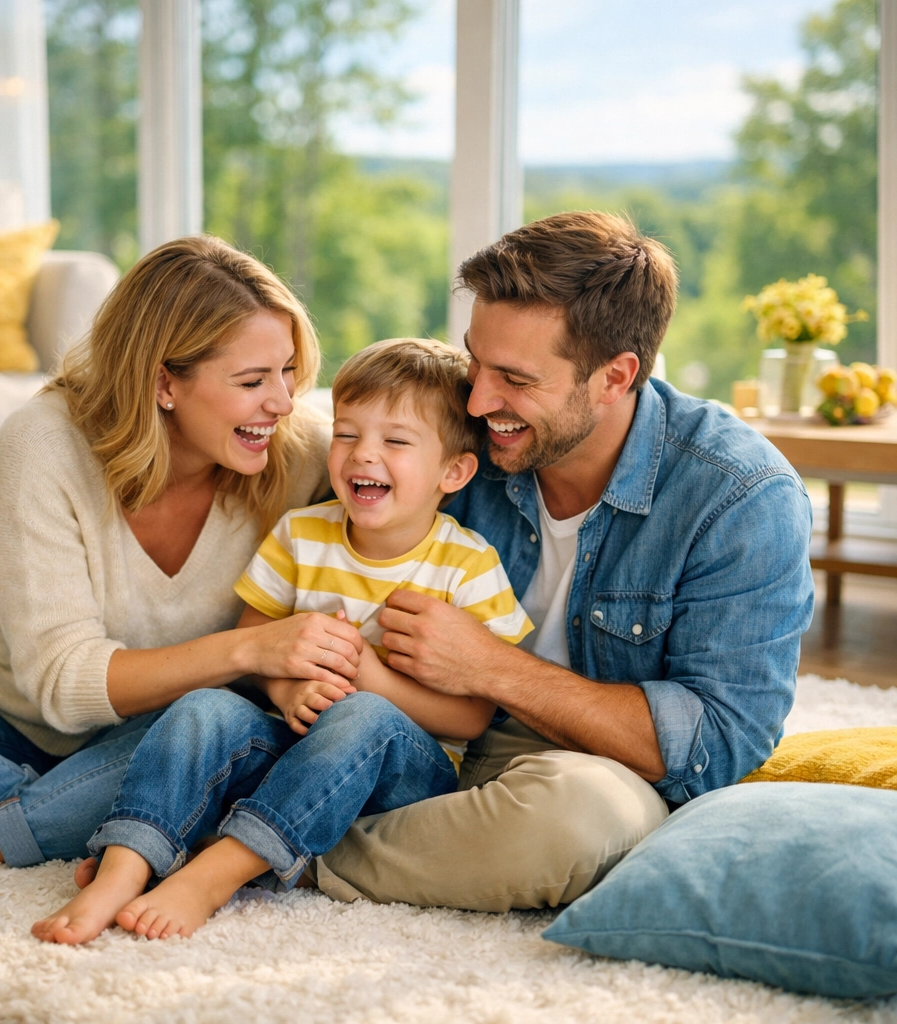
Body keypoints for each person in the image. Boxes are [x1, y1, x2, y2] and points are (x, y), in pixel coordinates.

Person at [304, 211, 816, 912]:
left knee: (581, 820)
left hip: (580, 767)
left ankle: (286, 850)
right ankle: (290, 818)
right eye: (474, 361)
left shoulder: (739, 497)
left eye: (514, 378)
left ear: (616, 376)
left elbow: (718, 744)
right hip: (410, 734)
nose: (479, 400)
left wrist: (488, 665)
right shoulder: (460, 434)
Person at [0, 236, 366, 868]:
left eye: (288, 371)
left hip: (154, 739)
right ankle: (81, 813)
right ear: (165, 382)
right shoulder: (44, 441)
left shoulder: (299, 456)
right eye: (251, 380)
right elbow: (62, 683)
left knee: (220, 725)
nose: (282, 401)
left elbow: (421, 472)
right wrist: (249, 648)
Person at [32, 337, 532, 943]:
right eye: (347, 435)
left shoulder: (467, 565)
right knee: (204, 707)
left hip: (399, 773)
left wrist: (372, 681)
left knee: (366, 715)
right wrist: (285, 684)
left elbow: (475, 718)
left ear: (453, 471)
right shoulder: (302, 534)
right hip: (292, 747)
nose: (362, 456)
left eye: (395, 442)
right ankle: (125, 864)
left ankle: (220, 872)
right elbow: (251, 641)